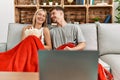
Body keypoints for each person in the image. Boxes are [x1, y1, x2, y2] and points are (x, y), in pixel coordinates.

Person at [49, 6, 113, 80]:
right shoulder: (51, 31)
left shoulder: (74, 27)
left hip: (72, 54)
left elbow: (82, 44)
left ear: (61, 14)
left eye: (53, 13)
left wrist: (71, 50)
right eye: (51, 14)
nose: (51, 16)